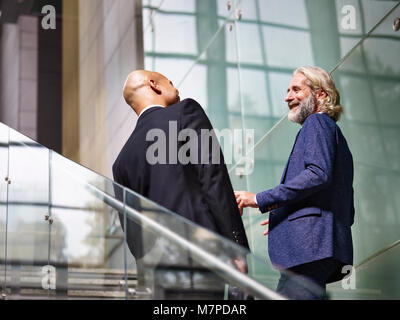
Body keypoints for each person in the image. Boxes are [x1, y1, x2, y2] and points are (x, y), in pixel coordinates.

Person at [112, 70, 249, 299]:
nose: (176, 88)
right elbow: (213, 180)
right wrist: (236, 246)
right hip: (201, 258)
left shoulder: (122, 161)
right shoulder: (185, 112)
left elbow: (134, 233)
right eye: (171, 82)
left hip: (160, 275)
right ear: (154, 84)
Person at [234, 66, 355, 300]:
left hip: (307, 252)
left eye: (296, 89)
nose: (287, 97)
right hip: (315, 251)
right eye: (287, 90)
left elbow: (317, 175)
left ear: (320, 94)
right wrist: (289, 218)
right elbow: (346, 209)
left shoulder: (316, 123)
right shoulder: (336, 137)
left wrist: (258, 199)